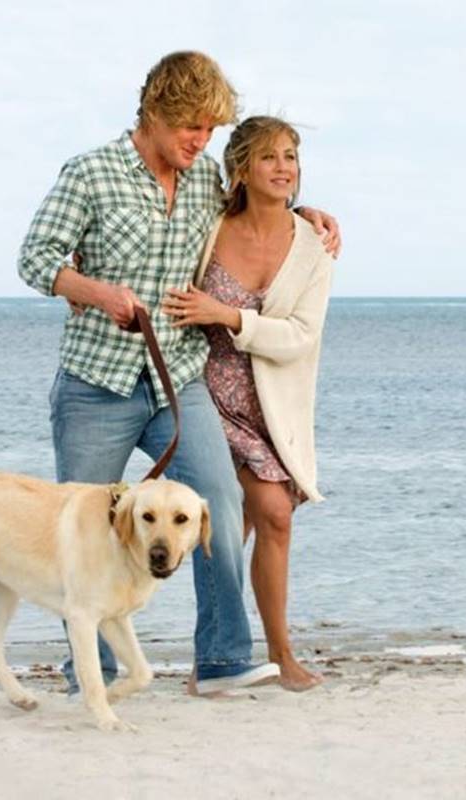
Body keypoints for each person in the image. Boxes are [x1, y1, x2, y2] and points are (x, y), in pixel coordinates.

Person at [17, 51, 340, 697]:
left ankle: (222, 659)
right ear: (154, 114)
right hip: (95, 384)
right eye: (190, 126)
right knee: (86, 528)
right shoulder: (91, 173)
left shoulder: (200, 185)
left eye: (211, 130)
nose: (201, 141)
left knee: (216, 502)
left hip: (177, 380)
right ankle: (93, 672)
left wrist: (308, 213)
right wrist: (94, 290)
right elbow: (34, 259)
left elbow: (255, 207)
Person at [162, 116, 333, 691]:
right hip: (200, 392)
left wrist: (230, 316)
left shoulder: (313, 247)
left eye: (291, 157)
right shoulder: (208, 222)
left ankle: (256, 654)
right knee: (258, 515)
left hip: (268, 406)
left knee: (249, 525)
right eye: (269, 157)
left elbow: (302, 336)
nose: (284, 167)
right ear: (241, 168)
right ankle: (233, 656)